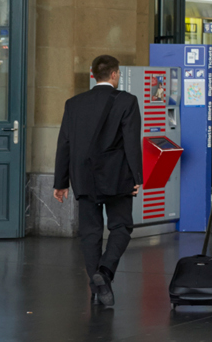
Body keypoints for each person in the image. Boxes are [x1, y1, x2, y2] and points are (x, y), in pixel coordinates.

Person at [53, 54, 143, 307]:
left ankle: (97, 289)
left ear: (93, 75)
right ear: (114, 74)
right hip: (117, 176)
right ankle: (104, 271)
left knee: (90, 233)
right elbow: (131, 142)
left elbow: (64, 144)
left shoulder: (74, 103)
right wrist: (137, 176)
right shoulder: (127, 101)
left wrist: (60, 182)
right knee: (121, 227)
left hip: (83, 176)